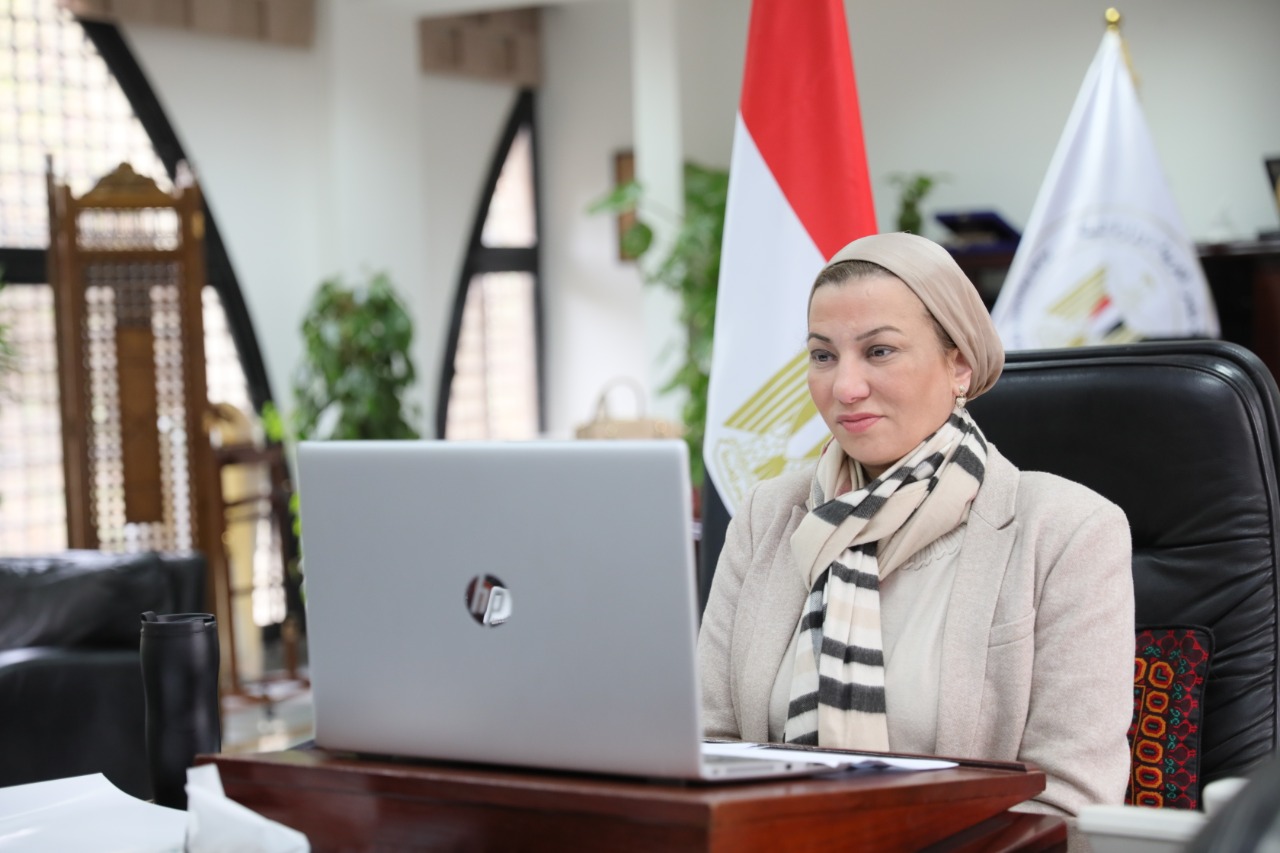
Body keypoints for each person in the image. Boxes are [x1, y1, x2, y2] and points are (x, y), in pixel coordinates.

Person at [697, 231, 1134, 817]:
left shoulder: (1068, 530)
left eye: (880, 351)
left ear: (960, 364)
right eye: (823, 355)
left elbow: (1067, 806)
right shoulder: (767, 515)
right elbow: (709, 750)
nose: (845, 387)